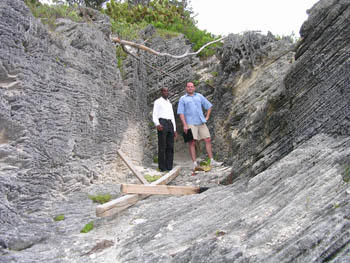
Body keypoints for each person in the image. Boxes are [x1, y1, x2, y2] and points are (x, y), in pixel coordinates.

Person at [177, 82, 222, 171]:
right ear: (186, 88)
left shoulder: (199, 96)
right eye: (188, 87)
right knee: (191, 142)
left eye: (192, 86)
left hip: (201, 122)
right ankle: (194, 163)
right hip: (190, 123)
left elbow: (209, 106)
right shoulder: (182, 99)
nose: (190, 88)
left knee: (208, 139)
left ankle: (212, 160)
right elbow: (180, 113)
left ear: (194, 88)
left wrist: (207, 117)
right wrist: (184, 125)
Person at [152, 87, 178, 172]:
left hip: (170, 123)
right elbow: (154, 114)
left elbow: (172, 116)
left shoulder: (169, 103)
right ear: (161, 92)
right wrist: (157, 124)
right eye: (164, 91)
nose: (166, 92)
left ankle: (169, 166)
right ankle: (162, 167)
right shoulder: (157, 101)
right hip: (162, 122)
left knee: (170, 146)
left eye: (167, 91)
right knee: (162, 145)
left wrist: (174, 129)